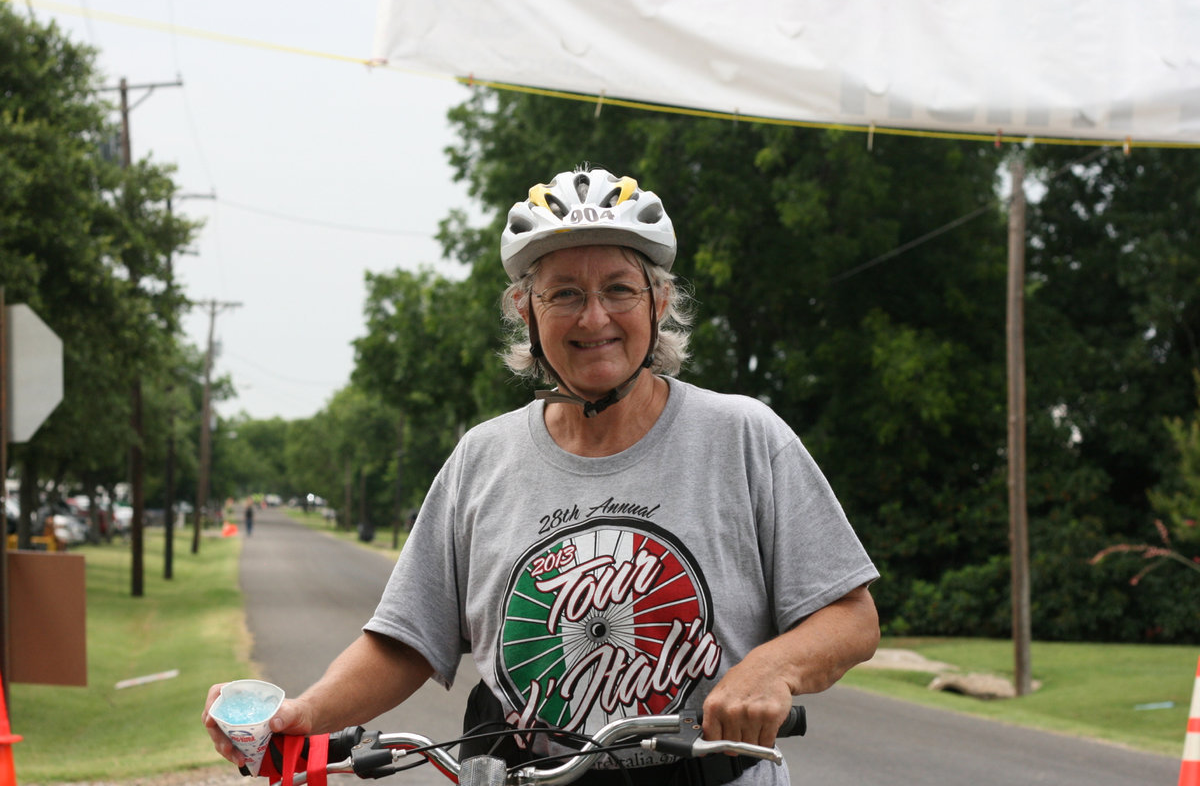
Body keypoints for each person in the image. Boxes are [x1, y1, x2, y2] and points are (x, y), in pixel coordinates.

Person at [204, 165, 879, 785]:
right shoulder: (483, 460)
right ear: (526, 312)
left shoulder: (743, 438)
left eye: (618, 289)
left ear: (658, 301)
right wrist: (303, 713)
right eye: (564, 294)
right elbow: (406, 641)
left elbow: (851, 617)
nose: (594, 318)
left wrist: (771, 668)